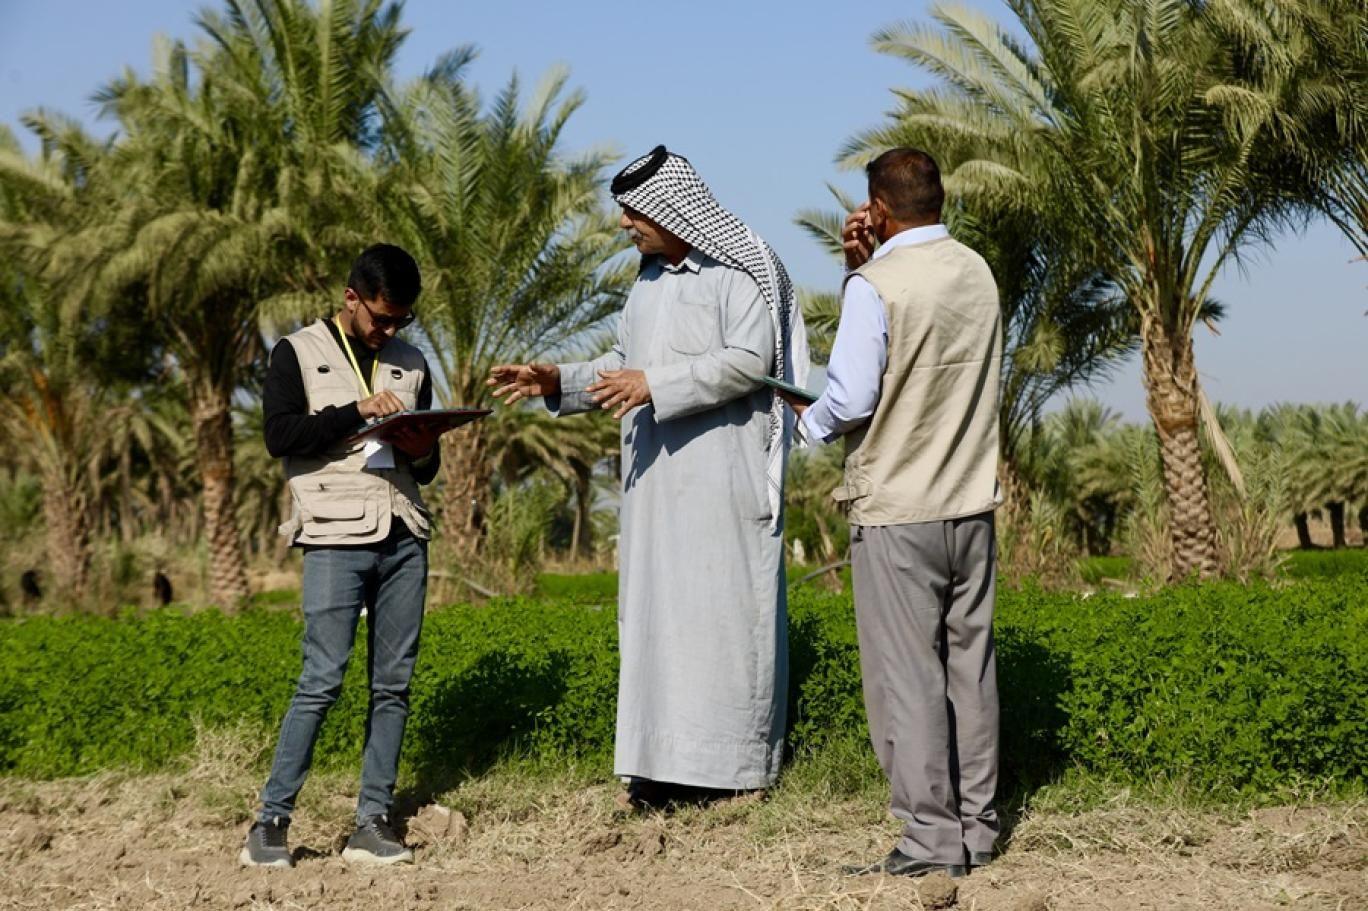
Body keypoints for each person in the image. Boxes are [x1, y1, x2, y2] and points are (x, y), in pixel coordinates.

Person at [488, 145, 809, 805]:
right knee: (658, 627)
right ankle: (659, 770)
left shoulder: (738, 273)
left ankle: (730, 775)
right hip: (656, 490)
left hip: (720, 486)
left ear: (671, 210)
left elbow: (753, 361)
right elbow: (621, 363)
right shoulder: (647, 284)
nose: (625, 226)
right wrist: (558, 379)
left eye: (633, 213)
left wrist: (654, 382)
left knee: (722, 625)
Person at [778, 148, 1002, 879]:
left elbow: (850, 396)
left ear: (875, 208)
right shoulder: (977, 272)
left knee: (906, 679)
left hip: (899, 512)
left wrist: (804, 425)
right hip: (970, 502)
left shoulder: (876, 286)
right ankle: (979, 827)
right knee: (971, 670)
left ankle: (930, 841)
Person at [241, 244, 443, 868]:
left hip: (404, 532)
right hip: (333, 531)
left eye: (400, 322)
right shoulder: (296, 351)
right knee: (321, 680)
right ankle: (270, 823)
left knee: (395, 684)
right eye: (381, 318)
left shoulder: (412, 363)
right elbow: (280, 436)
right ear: (351, 297)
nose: (389, 331)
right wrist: (354, 410)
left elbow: (428, 468)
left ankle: (372, 822)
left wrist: (420, 441)